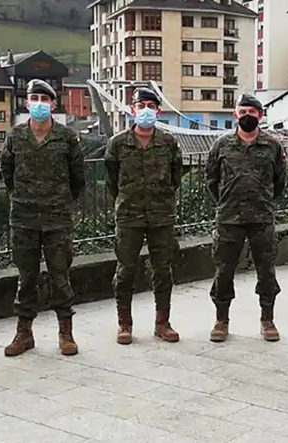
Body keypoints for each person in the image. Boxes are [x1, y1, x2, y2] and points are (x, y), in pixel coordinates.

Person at [1, 79, 85, 357]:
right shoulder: (15, 136)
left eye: (44, 99)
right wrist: (23, 197)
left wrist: (59, 202)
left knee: (60, 276)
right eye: (34, 98)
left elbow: (77, 179)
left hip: (57, 219)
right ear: (26, 103)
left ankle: (66, 332)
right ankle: (24, 333)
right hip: (24, 218)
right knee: (27, 278)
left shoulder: (67, 137)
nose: (39, 103)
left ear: (53, 104)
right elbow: (7, 173)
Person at [104, 88, 183, 345]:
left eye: (151, 105)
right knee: (125, 271)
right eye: (141, 105)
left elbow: (175, 177)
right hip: (129, 216)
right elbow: (111, 181)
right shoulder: (117, 144)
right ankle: (124, 324)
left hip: (162, 216)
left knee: (163, 270)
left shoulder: (169, 142)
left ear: (158, 110)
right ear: (132, 109)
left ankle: (163, 323)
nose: (146, 110)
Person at [205, 94, 286, 342]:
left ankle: (267, 320)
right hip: (229, 218)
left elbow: (280, 181)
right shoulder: (221, 145)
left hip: (262, 218)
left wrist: (265, 202)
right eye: (243, 111)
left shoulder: (272, 145)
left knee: (267, 270)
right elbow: (211, 180)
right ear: (235, 115)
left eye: (252, 111)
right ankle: (221, 320)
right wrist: (225, 202)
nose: (247, 116)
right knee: (224, 271)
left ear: (260, 115)